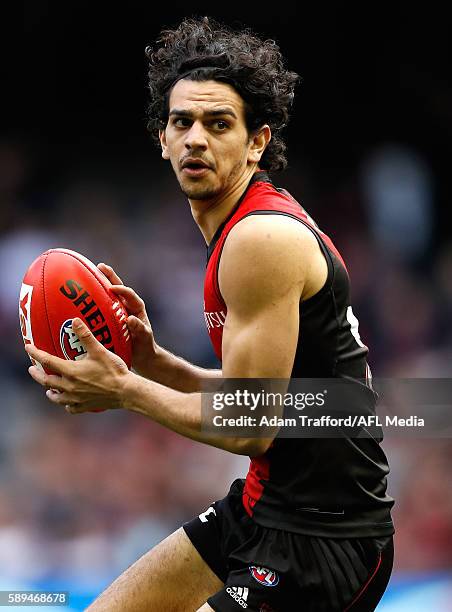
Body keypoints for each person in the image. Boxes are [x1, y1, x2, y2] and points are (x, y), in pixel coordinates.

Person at [26, 17, 395, 612]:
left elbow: (250, 427)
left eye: (219, 123)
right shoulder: (235, 229)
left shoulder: (258, 241)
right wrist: (151, 363)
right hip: (259, 509)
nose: (196, 137)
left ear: (257, 141)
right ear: (162, 140)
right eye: (182, 122)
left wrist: (126, 389)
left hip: (326, 541)